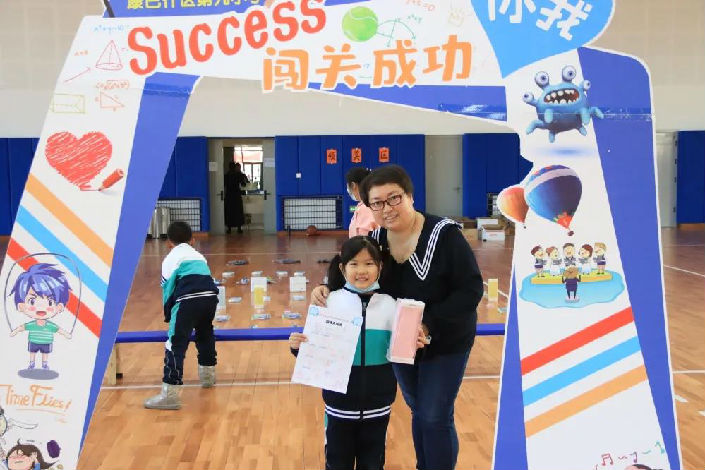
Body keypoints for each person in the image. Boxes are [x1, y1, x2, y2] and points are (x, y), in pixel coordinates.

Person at [312, 165, 484, 470]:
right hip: (401, 341)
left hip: (446, 339)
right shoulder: (377, 239)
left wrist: (428, 325)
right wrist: (327, 288)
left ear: (410, 196)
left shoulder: (445, 235)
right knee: (419, 409)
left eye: (394, 198)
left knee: (434, 415)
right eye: (377, 203)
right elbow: (353, 268)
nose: (387, 208)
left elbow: (470, 290)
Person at [290, 236, 426, 470]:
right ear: (343, 268)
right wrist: (298, 347)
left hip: (378, 407)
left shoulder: (392, 306)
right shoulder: (329, 302)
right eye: (354, 264)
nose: (361, 271)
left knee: (373, 464)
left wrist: (418, 347)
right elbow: (315, 352)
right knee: (337, 464)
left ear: (380, 267)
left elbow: (406, 356)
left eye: (369, 263)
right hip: (338, 407)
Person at [144, 221, 219, 410]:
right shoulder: (199, 257)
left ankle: (170, 394)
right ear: (192, 240)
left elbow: (168, 291)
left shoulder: (170, 259)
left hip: (187, 301)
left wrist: (169, 316)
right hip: (210, 298)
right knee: (205, 333)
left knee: (175, 342)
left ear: (169, 242)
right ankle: (208, 377)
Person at [9, 263, 72, 370]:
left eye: (50, 302)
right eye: (32, 301)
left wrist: (67, 334)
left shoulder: (50, 326)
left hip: (46, 342)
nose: (41, 307)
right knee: (32, 352)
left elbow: (59, 330)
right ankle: (32, 363)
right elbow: (22, 327)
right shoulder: (32, 324)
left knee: (45, 353)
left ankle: (44, 364)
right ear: (21, 306)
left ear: (60, 307)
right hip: (33, 341)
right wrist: (14, 331)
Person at [346, 167, 379, 238]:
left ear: (353, 185)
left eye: (348, 186)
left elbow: (363, 239)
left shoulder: (365, 208)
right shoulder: (371, 203)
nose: (348, 190)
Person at [224, 162, 249, 234]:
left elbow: (223, 185)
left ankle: (229, 228)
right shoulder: (238, 175)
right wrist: (243, 177)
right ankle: (239, 228)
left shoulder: (226, 176)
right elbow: (244, 184)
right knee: (238, 211)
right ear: (235, 167)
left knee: (229, 212)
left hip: (229, 195)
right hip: (236, 195)